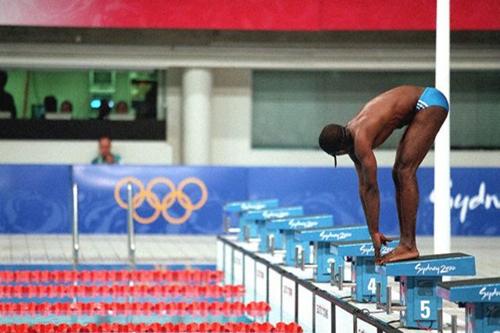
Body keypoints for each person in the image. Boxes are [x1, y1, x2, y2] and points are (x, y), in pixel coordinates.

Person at [318, 85, 449, 264]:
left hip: (428, 102)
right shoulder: (349, 137)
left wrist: (375, 231)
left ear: (339, 151)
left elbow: (372, 188)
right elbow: (364, 187)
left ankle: (408, 246)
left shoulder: (360, 138)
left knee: (404, 171)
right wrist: (374, 232)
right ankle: (407, 244)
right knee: (400, 171)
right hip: (422, 103)